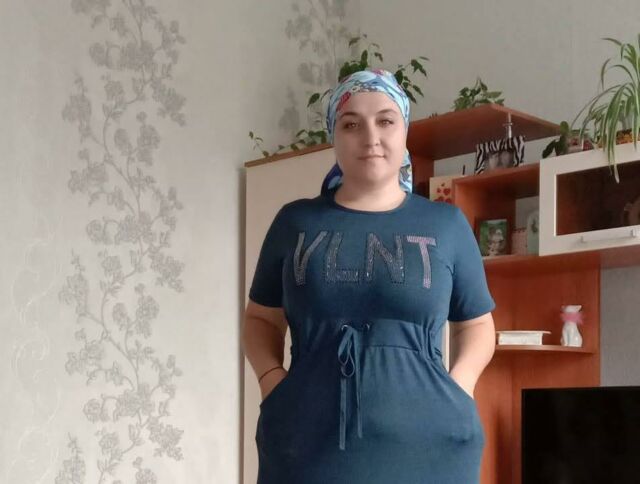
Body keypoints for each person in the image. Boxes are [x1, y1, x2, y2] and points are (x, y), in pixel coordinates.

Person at [242, 68, 496, 484]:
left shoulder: (447, 224)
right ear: (334, 134)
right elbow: (259, 320)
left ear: (404, 131)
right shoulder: (294, 222)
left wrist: (459, 387)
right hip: (304, 444)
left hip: (433, 447)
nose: (370, 136)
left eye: (385, 120)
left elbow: (478, 325)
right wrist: (273, 383)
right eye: (351, 124)